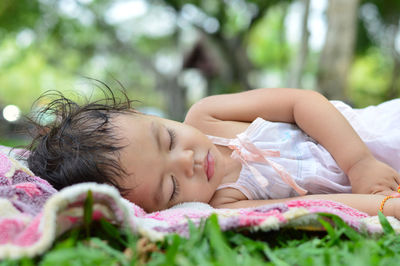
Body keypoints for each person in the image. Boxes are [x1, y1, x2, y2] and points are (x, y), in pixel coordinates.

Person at [27, 85, 400, 218]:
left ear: (143, 115)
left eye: (168, 140)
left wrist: (360, 162)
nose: (186, 162)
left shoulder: (208, 116)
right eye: (171, 186)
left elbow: (302, 103)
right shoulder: (224, 203)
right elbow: (313, 205)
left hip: (370, 134)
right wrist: (386, 207)